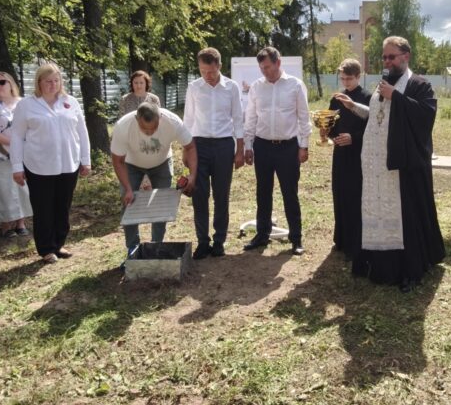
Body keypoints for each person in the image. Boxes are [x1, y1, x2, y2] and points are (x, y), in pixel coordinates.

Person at [334, 36, 445, 292]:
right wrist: (355, 107)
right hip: (376, 166)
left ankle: (408, 269)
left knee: (405, 215)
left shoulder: (419, 84)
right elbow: (378, 115)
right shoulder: (383, 84)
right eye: (384, 57)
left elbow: (426, 115)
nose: (387, 61)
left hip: (401, 166)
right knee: (376, 212)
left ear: (406, 56)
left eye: (391, 56)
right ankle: (375, 261)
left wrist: (396, 96)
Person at [10, 64, 91, 264]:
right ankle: (46, 248)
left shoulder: (70, 102)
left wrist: (86, 160)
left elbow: (82, 132)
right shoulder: (27, 105)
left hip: (68, 164)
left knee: (62, 207)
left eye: (56, 80)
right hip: (39, 166)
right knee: (43, 208)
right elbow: (17, 137)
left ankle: (59, 243)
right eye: (48, 81)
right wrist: (17, 167)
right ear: (39, 82)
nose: (53, 85)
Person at [243, 47, 312, 255]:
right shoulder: (256, 87)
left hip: (288, 147)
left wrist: (304, 145)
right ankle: (262, 235)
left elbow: (304, 117)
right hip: (262, 146)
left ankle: (296, 238)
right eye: (261, 68)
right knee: (263, 192)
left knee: (290, 193)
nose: (264, 71)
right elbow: (251, 117)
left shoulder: (295, 85)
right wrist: (248, 146)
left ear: (278, 63)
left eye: (267, 67)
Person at [111, 102, 197, 257]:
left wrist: (192, 175)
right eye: (145, 129)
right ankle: (133, 248)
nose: (150, 133)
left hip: (162, 163)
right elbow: (118, 161)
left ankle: (156, 244)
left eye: (154, 128)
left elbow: (190, 147)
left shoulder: (172, 121)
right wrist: (128, 189)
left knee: (162, 203)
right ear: (137, 119)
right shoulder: (123, 126)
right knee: (129, 203)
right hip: (131, 164)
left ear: (160, 117)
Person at [183, 47, 244, 259]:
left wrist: (240, 150)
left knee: (221, 195)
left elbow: (238, 119)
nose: (207, 75)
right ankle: (202, 241)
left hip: (224, 145)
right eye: (202, 71)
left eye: (210, 71)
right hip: (198, 145)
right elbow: (188, 120)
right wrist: (185, 149)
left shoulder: (231, 87)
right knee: (199, 195)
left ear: (219, 66)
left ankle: (219, 240)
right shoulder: (194, 87)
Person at [325, 59, 370, 259]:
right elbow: (330, 124)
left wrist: (354, 138)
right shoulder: (336, 99)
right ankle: (341, 238)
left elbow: (372, 128)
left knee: (355, 196)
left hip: (359, 154)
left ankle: (356, 242)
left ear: (359, 77)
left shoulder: (368, 97)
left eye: (349, 79)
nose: (345, 82)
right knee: (340, 193)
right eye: (342, 78)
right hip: (340, 153)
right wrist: (328, 133)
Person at [0, 72, 32, 238]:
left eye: (2, 82)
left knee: (22, 187)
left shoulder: (23, 103)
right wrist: (16, 143)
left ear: (11, 84)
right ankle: (6, 225)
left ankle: (21, 223)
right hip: (0, 155)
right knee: (4, 189)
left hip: (23, 154)